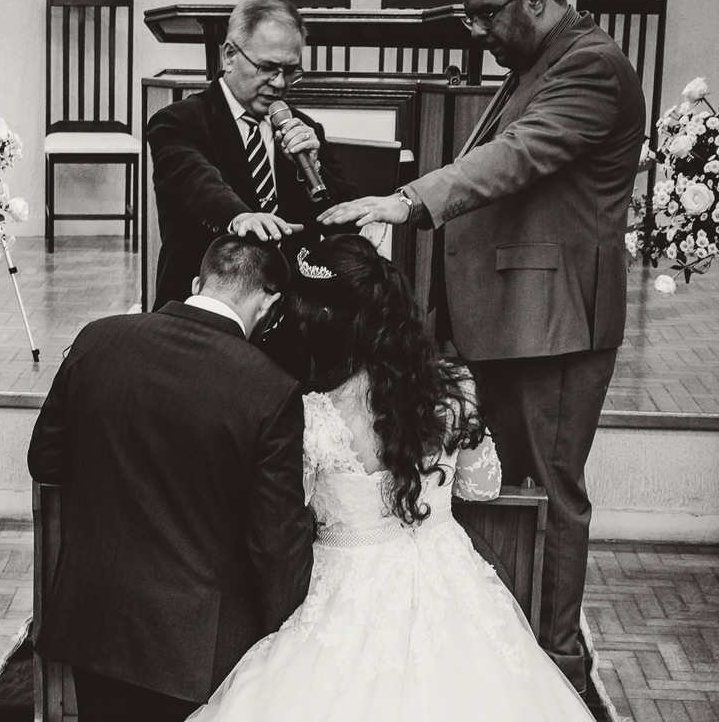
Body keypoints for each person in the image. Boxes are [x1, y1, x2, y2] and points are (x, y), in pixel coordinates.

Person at [318, 0, 646, 699]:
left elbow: (518, 156)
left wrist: (407, 202)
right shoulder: (535, 61)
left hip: (554, 325)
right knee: (502, 490)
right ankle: (506, 651)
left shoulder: (592, 65)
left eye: (486, 15)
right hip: (508, 315)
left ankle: (559, 660)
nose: (478, 32)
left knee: (550, 490)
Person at [187, 235, 593, 721]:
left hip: (343, 592)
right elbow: (482, 487)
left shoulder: (311, 414)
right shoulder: (453, 390)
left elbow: (284, 518)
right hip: (449, 581)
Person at [27, 235, 314, 722]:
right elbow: (274, 541)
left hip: (95, 620)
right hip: (194, 644)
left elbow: (46, 460)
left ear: (197, 283)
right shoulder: (271, 390)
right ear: (269, 304)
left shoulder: (98, 338)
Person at [147, 0, 357, 311]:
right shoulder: (178, 121)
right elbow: (196, 181)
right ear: (230, 55)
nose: (279, 83)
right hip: (205, 305)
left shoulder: (301, 127)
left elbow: (344, 221)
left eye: (291, 72)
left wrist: (312, 170)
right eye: (268, 68)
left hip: (286, 310)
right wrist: (241, 217)